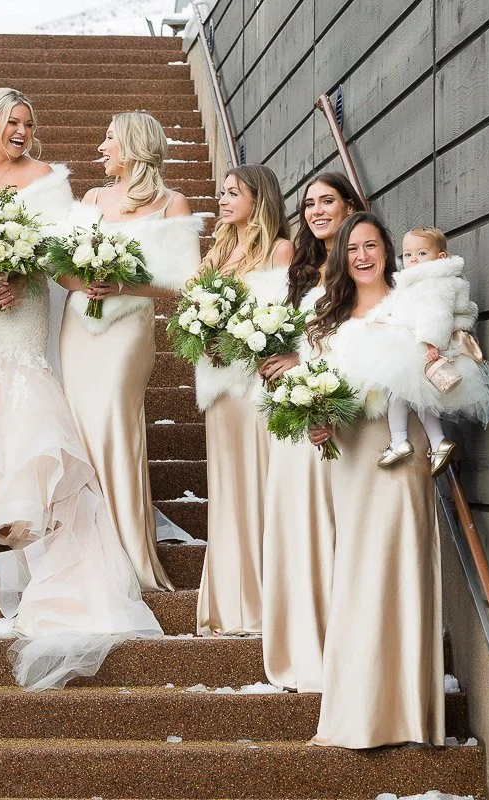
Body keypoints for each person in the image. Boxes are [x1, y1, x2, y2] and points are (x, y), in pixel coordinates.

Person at [0, 88, 162, 690]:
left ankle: (25, 502)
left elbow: (56, 249)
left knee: (27, 387)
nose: (22, 131)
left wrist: (16, 276)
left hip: (25, 303)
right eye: (12, 121)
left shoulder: (50, 180)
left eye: (28, 122)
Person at [307, 211, 445, 749]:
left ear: (388, 252)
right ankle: (358, 708)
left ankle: (408, 714)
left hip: (401, 447)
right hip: (352, 451)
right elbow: (314, 383)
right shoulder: (326, 316)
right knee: (358, 570)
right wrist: (315, 420)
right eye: (352, 248)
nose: (362, 256)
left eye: (372, 246)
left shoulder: (412, 304)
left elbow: (440, 368)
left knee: (404, 563)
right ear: (341, 258)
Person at [57, 111, 198, 592]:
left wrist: (120, 283)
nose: (101, 146)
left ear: (134, 146)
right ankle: (79, 552)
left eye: (109, 138)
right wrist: (84, 281)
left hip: (128, 332)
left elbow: (183, 281)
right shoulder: (93, 198)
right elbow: (61, 266)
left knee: (115, 424)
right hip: (79, 327)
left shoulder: (172, 203)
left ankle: (124, 552)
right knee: (79, 428)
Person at [258, 172, 362, 691]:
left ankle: (336, 649)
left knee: (329, 521)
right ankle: (301, 644)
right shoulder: (302, 270)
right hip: (292, 410)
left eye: (328, 201)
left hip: (335, 409)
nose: (318, 211)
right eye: (309, 204)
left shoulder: (362, 263)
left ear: (349, 206)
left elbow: (363, 333)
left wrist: (305, 360)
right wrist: (269, 357)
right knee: (295, 518)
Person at [192, 164, 293, 636]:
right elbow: (191, 314)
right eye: (222, 192)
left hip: (254, 386)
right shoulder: (216, 256)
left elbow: (288, 317)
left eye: (234, 192)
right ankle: (232, 603)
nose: (223, 199)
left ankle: (266, 602)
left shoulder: (280, 250)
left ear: (259, 198)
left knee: (261, 483)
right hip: (219, 385)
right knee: (229, 488)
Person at [369, 226, 489, 475]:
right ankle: (438, 443)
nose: (413, 260)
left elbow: (437, 315)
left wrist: (431, 343)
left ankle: (399, 441)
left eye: (421, 253)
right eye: (408, 255)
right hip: (421, 343)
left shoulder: (435, 281)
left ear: (440, 257)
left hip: (428, 346)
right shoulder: (417, 281)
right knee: (420, 399)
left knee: (397, 390)